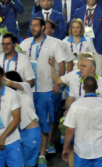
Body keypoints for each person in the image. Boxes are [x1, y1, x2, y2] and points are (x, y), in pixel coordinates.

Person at [20, 18, 68, 164]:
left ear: (42, 27)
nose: (33, 28)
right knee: (25, 122)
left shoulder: (54, 43)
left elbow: (62, 64)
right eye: (31, 25)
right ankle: (26, 152)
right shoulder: (25, 43)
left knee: (44, 123)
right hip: (26, 90)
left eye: (35, 25)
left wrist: (58, 83)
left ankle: (41, 155)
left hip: (45, 89)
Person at [62, 77, 102, 167]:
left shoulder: (76, 105)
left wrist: (65, 147)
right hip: (101, 150)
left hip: (82, 151)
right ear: (97, 87)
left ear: (83, 87)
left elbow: (70, 130)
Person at [2, 71, 40, 167]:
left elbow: (9, 83)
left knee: (28, 165)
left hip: (30, 132)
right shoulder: (7, 97)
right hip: (16, 134)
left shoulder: (25, 87)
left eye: (5, 79)